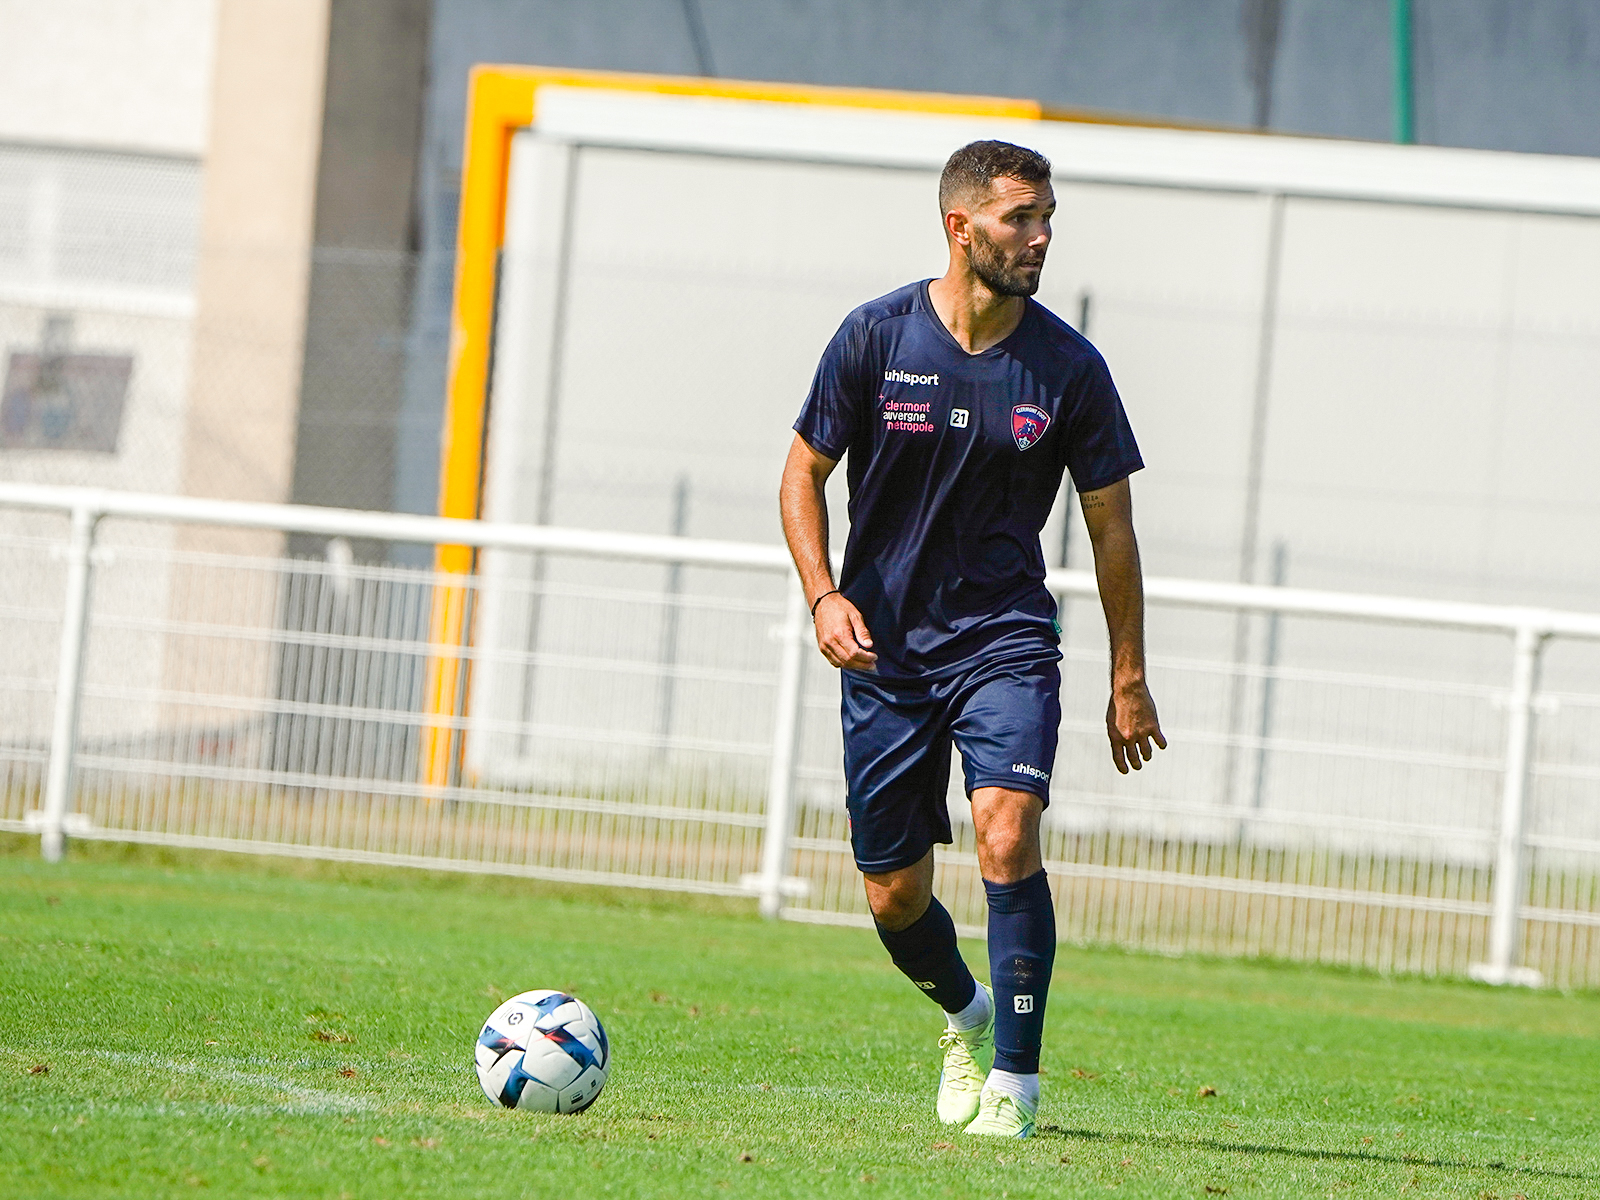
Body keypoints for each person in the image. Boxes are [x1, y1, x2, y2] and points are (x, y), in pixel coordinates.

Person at [778, 140, 1166, 1139]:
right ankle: (965, 1010)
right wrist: (824, 596)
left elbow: (1110, 526)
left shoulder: (1070, 368)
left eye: (1046, 219)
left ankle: (1017, 1083)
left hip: (1004, 642)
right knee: (892, 892)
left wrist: (1128, 674)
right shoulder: (874, 337)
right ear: (962, 228)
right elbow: (800, 475)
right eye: (1018, 220)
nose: (1039, 238)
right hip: (884, 653)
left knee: (1005, 829)